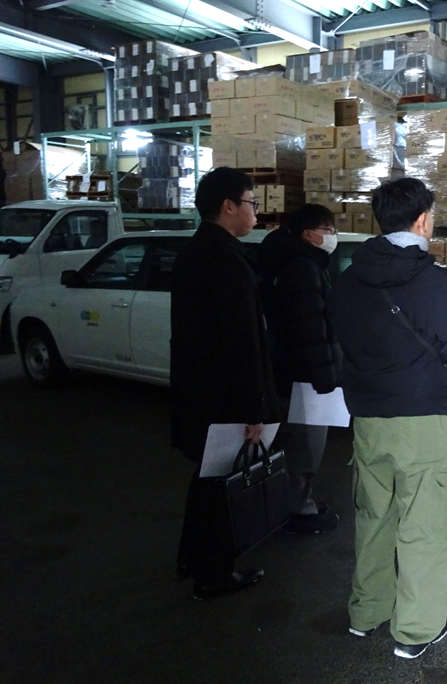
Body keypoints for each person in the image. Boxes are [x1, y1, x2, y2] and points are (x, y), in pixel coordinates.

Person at [329, 178, 447, 660]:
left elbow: (340, 346)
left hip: (367, 419)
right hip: (423, 420)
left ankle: (367, 612)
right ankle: (415, 630)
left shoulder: (348, 280)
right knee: (425, 523)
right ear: (422, 220)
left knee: (373, 517)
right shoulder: (437, 282)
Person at [171, 167, 280, 601]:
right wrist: (254, 411)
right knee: (220, 490)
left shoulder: (196, 252)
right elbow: (242, 343)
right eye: (252, 202)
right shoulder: (225, 262)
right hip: (224, 400)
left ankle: (192, 559)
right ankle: (213, 575)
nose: (256, 211)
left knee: (206, 482)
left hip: (199, 392)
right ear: (228, 206)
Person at [258, 204, 342, 535]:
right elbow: (310, 331)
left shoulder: (297, 262)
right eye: (329, 230)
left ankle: (291, 505)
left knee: (295, 446)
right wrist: (326, 379)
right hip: (305, 378)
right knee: (305, 450)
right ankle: (297, 512)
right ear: (309, 235)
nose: (333, 236)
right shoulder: (302, 269)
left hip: (290, 373)